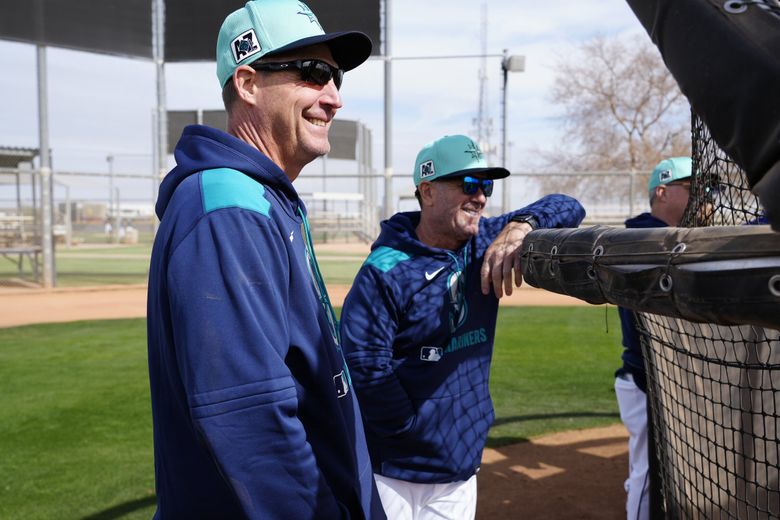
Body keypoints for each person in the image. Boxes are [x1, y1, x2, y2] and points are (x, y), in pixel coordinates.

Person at [146, 1, 385, 518]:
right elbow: (252, 424)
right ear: (249, 83)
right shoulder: (228, 210)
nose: (334, 98)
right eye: (314, 73)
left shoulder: (261, 198)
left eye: (336, 78)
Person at [340, 134, 586, 519]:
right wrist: (411, 428)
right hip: (392, 471)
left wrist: (522, 225)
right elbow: (365, 366)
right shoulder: (385, 269)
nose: (481, 197)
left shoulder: (486, 239)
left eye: (486, 185)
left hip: (459, 469)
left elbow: (570, 206)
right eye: (468, 184)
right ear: (428, 191)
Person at [614, 156, 693, 520]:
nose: (702, 196)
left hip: (667, 377)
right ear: (661, 192)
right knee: (648, 472)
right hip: (647, 378)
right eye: (691, 188)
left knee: (656, 472)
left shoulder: (678, 237)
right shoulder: (641, 233)